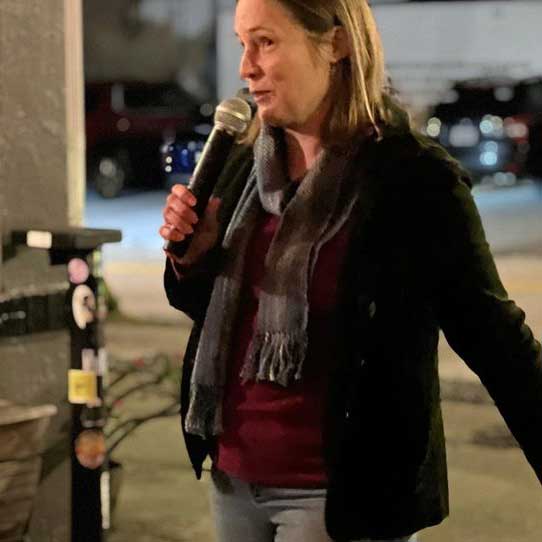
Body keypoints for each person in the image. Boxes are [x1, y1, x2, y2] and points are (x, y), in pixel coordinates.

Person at [160, 1, 542, 541]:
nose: (246, 66)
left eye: (266, 42)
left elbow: (498, 341)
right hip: (234, 480)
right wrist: (191, 260)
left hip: (339, 499)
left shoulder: (411, 179)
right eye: (243, 44)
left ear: (335, 44)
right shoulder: (244, 165)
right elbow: (214, 312)